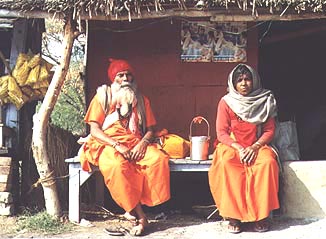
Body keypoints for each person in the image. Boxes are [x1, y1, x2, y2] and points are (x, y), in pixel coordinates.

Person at [79, 58, 170, 236]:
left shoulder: (141, 100)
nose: (126, 78)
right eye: (120, 75)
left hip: (135, 143)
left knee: (158, 160)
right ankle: (140, 216)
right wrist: (117, 145)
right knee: (117, 166)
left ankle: (134, 208)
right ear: (114, 79)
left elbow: (151, 130)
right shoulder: (103, 97)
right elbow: (95, 130)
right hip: (106, 144)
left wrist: (143, 144)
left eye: (128, 74)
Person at [208, 64, 279, 233]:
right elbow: (221, 133)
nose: (244, 83)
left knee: (267, 163)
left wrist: (255, 147)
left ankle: (261, 216)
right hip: (232, 146)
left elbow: (269, 130)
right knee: (227, 163)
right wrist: (239, 148)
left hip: (258, 145)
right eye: (239, 80)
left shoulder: (265, 99)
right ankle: (233, 217)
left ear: (254, 81)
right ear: (233, 84)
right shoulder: (226, 102)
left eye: (247, 79)